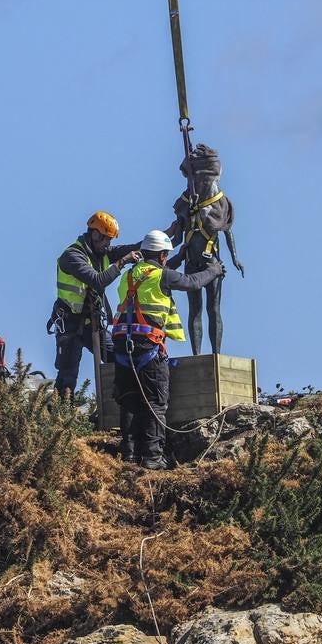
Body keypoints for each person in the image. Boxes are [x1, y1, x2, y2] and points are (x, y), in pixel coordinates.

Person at [112, 229, 225, 469]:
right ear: (163, 256)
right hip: (148, 346)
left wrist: (178, 258)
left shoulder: (129, 276)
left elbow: (159, 272)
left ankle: (129, 455)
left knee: (130, 400)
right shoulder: (161, 275)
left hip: (123, 345)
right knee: (155, 402)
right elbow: (192, 282)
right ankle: (153, 458)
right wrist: (213, 270)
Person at [49, 211, 141, 400]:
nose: (109, 245)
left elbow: (134, 247)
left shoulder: (100, 252)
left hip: (92, 323)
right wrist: (123, 262)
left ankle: (117, 400)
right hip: (70, 324)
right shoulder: (72, 255)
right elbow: (97, 281)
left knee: (119, 356)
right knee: (68, 376)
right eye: (106, 239)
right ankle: (60, 418)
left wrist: (165, 235)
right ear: (95, 234)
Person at [166, 143, 244, 355]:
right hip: (191, 261)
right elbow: (177, 236)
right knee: (195, 310)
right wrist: (162, 254)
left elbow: (227, 231)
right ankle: (197, 354)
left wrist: (235, 258)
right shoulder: (185, 202)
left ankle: (216, 354)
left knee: (214, 309)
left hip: (212, 263)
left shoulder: (220, 202)